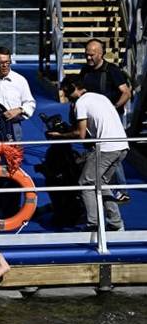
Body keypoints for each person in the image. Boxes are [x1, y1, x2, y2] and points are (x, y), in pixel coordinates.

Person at [47, 75, 129, 231]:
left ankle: (93, 224)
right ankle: (116, 223)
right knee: (102, 183)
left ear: (73, 88)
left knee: (85, 183)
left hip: (106, 147)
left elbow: (80, 134)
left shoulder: (81, 103)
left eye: (66, 92)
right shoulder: (99, 97)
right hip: (122, 146)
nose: (67, 97)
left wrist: (60, 136)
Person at [78, 39, 131, 202]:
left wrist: (113, 108)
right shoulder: (85, 70)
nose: (88, 58)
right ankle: (100, 181)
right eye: (86, 55)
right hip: (92, 118)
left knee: (112, 150)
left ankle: (121, 189)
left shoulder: (112, 71)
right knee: (94, 151)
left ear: (100, 54)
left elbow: (126, 92)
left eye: (91, 55)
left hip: (111, 119)